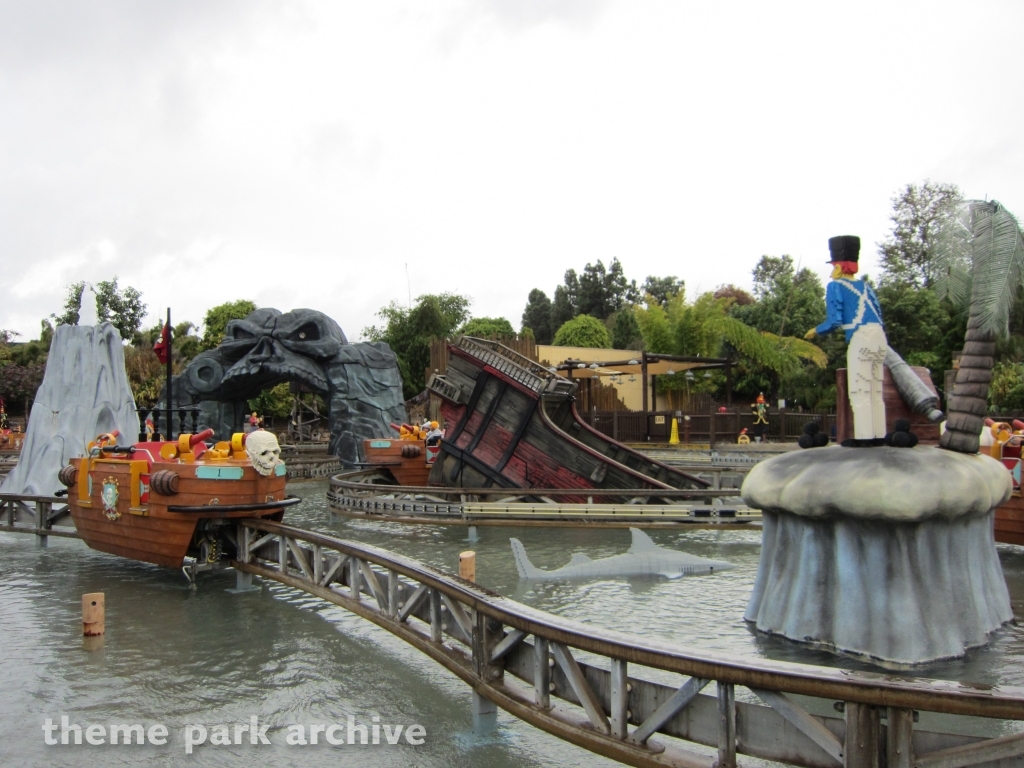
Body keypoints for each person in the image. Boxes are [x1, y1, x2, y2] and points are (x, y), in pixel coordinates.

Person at [806, 235, 887, 440]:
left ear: (839, 267)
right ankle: (879, 433)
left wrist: (816, 330)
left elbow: (835, 320)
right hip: (879, 338)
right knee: (876, 389)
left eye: (833, 266)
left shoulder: (835, 287)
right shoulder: (866, 286)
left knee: (859, 389)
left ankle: (864, 437)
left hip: (860, 337)